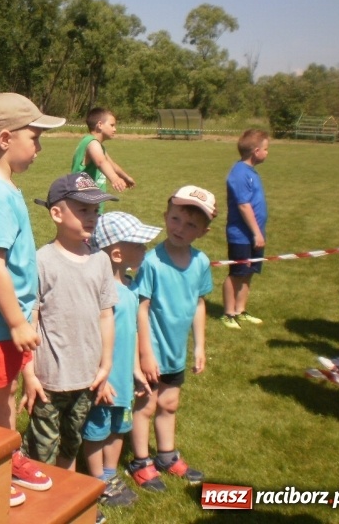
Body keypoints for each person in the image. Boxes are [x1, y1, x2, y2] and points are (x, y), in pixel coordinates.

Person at [0, 92, 65, 507]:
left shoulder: (3, 187)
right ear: (6, 138)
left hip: (8, 320)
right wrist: (19, 323)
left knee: (4, 393)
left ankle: (6, 456)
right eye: (35, 137)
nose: (39, 147)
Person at [19, 173, 118, 468]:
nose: (92, 217)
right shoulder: (41, 261)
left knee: (71, 443)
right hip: (48, 380)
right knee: (42, 448)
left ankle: (66, 504)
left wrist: (106, 365)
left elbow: (106, 315)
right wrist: (29, 375)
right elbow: (30, 322)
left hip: (87, 378)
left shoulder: (101, 261)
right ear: (57, 214)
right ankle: (37, 500)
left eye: (95, 211)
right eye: (83, 210)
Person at [127, 185, 216, 492]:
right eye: (176, 219)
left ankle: (166, 455)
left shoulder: (201, 262)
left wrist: (200, 346)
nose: (181, 228)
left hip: (176, 352)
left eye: (191, 224)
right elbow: (142, 306)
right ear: (166, 217)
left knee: (170, 402)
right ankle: (140, 460)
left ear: (203, 231)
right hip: (152, 351)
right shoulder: (152, 262)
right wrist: (145, 353)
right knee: (146, 405)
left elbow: (199, 304)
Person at [83, 211, 162, 508]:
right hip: (104, 381)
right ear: (117, 253)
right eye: (139, 245)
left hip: (124, 381)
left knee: (118, 429)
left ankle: (109, 473)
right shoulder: (103, 292)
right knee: (96, 431)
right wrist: (99, 377)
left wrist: (135, 370)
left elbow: (129, 335)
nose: (145, 250)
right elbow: (92, 339)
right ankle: (96, 481)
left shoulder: (129, 286)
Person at [221, 129, 269, 329]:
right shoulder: (239, 173)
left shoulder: (251, 172)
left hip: (254, 235)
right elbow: (243, 205)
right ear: (256, 151)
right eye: (266, 149)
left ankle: (241, 310)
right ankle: (228, 313)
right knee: (237, 273)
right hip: (241, 235)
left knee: (248, 272)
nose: (267, 153)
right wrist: (256, 232)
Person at [71, 107, 135, 213]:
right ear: (100, 125)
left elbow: (112, 165)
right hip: (84, 205)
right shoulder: (91, 142)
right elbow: (101, 162)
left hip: (91, 205)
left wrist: (125, 177)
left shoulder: (99, 146)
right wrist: (114, 178)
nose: (115, 129)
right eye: (112, 125)